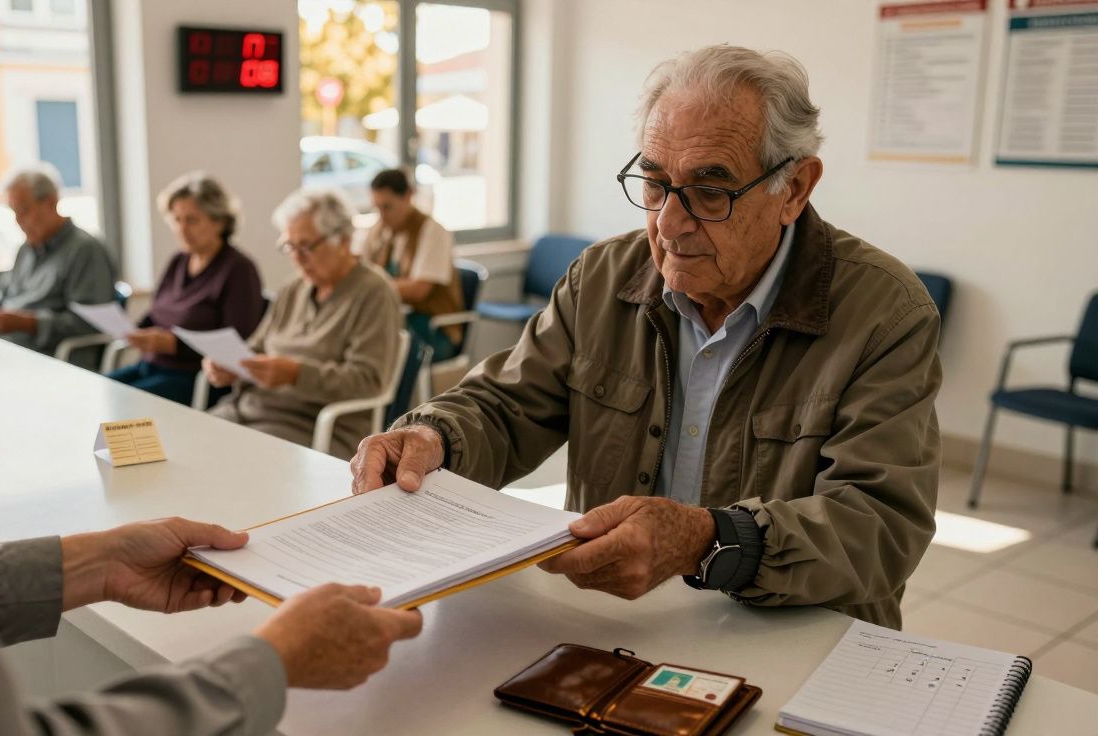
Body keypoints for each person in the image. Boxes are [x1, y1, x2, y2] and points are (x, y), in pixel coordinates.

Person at [0, 4, 421, 733]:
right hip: (240, 411)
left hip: (292, 430)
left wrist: (101, 560)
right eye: (293, 247)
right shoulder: (265, 283)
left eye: (308, 245)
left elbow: (359, 384)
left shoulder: (356, 292)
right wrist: (231, 372)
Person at [350, 45, 941, 629]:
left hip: (793, 633)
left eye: (711, 191)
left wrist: (708, 542)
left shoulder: (884, 312)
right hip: (614, 621)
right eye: (655, 184)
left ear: (794, 189)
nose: (668, 222)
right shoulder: (603, 278)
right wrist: (434, 436)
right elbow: (506, 405)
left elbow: (879, 525)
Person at [205, 189, 400, 460]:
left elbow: (367, 381)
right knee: (187, 443)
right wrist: (231, 365)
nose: (296, 257)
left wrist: (296, 375)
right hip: (248, 409)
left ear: (343, 241)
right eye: (289, 246)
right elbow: (256, 346)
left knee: (224, 461)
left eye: (306, 246)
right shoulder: (294, 288)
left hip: (312, 426)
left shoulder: (374, 292)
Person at [107, 172, 265, 406]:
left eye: (192, 220)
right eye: (176, 220)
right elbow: (156, 313)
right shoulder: (178, 261)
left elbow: (238, 344)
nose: (182, 229)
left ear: (219, 221)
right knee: (96, 390)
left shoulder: (239, 269)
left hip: (196, 377)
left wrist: (175, 345)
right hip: (151, 366)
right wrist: (136, 332)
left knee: (123, 405)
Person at [0, 164, 116, 361]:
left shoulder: (85, 250)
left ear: (51, 203)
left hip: (49, 355)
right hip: (8, 347)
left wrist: (26, 323)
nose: (18, 220)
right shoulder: (25, 250)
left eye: (24, 210)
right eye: (13, 211)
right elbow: (2, 296)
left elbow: (89, 324)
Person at [361, 168, 464, 361]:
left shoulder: (433, 232)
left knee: (374, 355)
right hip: (396, 320)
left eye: (387, 207)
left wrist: (369, 288)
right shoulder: (379, 231)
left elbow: (419, 289)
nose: (381, 215)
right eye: (377, 208)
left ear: (408, 196)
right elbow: (360, 272)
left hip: (430, 328)